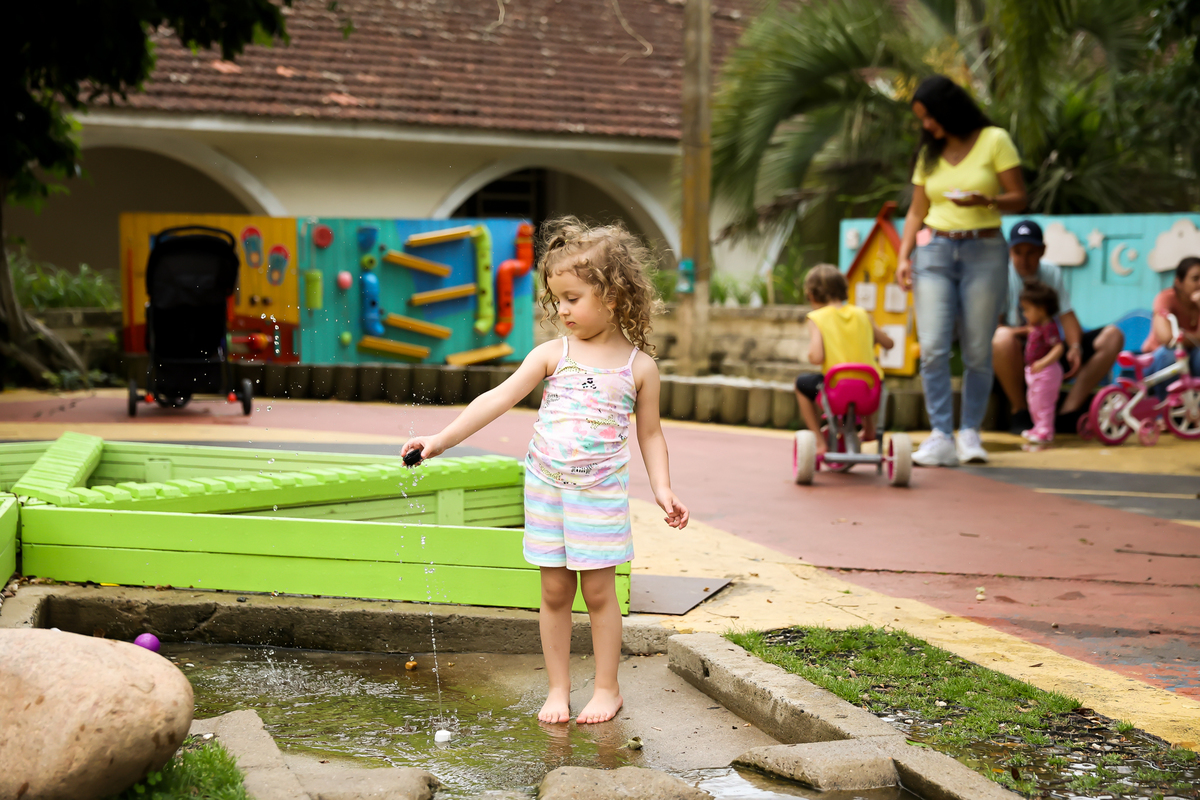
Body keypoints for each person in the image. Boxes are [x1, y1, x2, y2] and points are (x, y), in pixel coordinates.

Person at [402, 217, 688, 726]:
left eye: (573, 298)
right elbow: (497, 398)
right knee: (554, 593)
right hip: (547, 491)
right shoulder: (553, 355)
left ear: (613, 296)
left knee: (598, 594)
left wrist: (663, 488)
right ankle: (558, 689)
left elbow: (650, 435)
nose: (562, 310)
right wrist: (440, 440)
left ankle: (607, 689)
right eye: (557, 299)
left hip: (598, 495)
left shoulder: (638, 368)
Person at [895, 75, 1027, 466]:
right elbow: (916, 210)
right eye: (921, 118)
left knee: (977, 348)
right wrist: (903, 256)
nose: (926, 125)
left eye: (930, 116)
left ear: (948, 110)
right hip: (934, 252)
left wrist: (987, 200)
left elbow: (1020, 197)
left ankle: (970, 431)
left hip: (984, 250)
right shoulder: (929, 154)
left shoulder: (994, 140)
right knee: (933, 347)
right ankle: (940, 435)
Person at [992, 220, 1124, 435]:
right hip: (1018, 355)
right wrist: (1027, 332)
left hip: (1049, 350)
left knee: (1113, 336)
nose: (1024, 260)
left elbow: (1067, 316)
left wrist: (1075, 347)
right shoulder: (1000, 276)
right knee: (1001, 337)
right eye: (1018, 252)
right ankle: (1020, 411)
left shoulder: (1051, 272)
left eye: (1030, 252)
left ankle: (1067, 413)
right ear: (1010, 252)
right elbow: (994, 326)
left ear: (1042, 251)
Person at [795, 265, 894, 456]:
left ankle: (819, 442)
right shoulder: (862, 314)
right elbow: (888, 343)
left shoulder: (816, 317)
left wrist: (812, 352)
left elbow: (816, 357)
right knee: (866, 375)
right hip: (870, 392)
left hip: (836, 391)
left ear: (812, 296)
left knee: (801, 384)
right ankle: (870, 428)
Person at [1145, 256, 1200, 399]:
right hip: (1156, 360)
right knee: (1171, 356)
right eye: (1195, 279)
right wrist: (1195, 339)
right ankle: (1167, 407)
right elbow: (1168, 339)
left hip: (1189, 360)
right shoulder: (1166, 298)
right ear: (1179, 282)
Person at [1017, 282, 1064, 446]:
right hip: (1035, 371)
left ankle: (1046, 430)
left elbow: (1058, 347)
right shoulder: (1037, 327)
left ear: (1041, 309)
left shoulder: (1049, 327)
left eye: (1027, 309)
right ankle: (1038, 427)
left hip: (1046, 372)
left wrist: (1043, 362)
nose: (1025, 314)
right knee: (1034, 401)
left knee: (1044, 402)